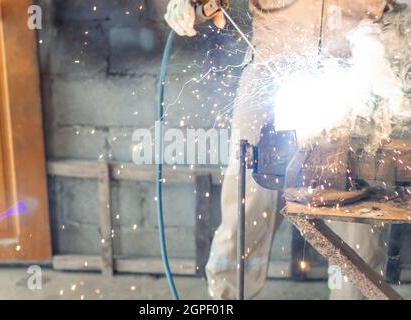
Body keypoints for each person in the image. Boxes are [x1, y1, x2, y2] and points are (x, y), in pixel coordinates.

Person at [164, 0, 392, 300]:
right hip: (271, 66)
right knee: (247, 205)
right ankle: (227, 298)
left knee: (359, 216)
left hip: (358, 69)